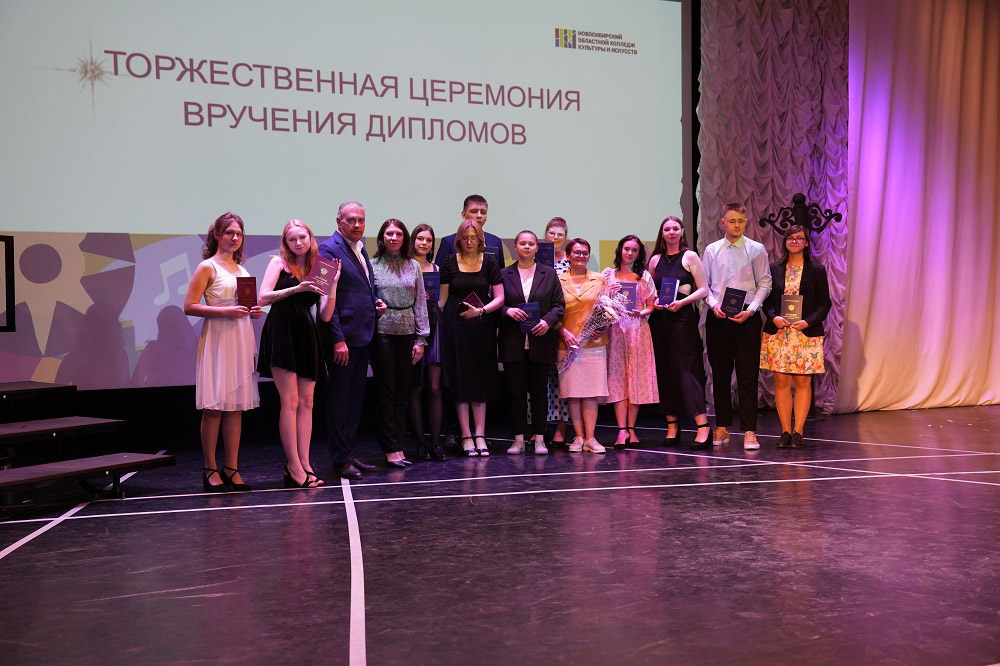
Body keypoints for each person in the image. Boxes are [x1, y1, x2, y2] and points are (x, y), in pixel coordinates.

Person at [183, 212, 262, 492]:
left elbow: (246, 305)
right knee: (214, 406)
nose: (235, 237)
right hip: (218, 339)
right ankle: (210, 468)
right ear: (217, 235)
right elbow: (189, 306)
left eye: (238, 233)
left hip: (240, 337)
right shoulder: (207, 267)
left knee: (235, 407)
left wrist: (254, 311)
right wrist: (225, 311)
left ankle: (231, 468)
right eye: (229, 232)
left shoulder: (242, 270)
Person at [258, 219, 339, 489]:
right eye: (292, 239)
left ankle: (305, 463)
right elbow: (262, 298)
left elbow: (325, 315)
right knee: (290, 402)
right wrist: (297, 288)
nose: (298, 243)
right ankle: (293, 466)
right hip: (282, 330)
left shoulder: (321, 267)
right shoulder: (278, 263)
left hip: (306, 332)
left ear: (310, 237)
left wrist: (333, 285)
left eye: (302, 237)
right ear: (286, 242)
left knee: (307, 402)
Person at [318, 202, 388, 480]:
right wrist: (337, 339)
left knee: (354, 400)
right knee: (340, 401)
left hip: (362, 336)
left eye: (361, 220)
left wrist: (375, 302)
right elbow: (323, 298)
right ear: (339, 221)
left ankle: (349, 454)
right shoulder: (326, 249)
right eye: (351, 220)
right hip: (343, 340)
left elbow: (361, 288)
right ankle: (340, 459)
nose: (357, 224)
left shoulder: (360, 248)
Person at [703, 203, 772, 450]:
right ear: (723, 222)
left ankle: (750, 431)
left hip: (747, 319)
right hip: (719, 318)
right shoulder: (711, 250)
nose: (736, 225)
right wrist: (713, 305)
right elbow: (705, 285)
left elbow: (765, 283)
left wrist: (751, 310)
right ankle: (722, 426)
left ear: (746, 221)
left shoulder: (756, 249)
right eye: (732, 221)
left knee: (747, 375)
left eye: (740, 221)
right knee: (720, 375)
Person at [760, 225, 831, 448]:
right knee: (781, 382)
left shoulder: (816, 270)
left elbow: (824, 304)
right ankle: (785, 431)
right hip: (779, 333)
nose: (794, 241)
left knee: (802, 382)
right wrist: (773, 317)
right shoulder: (774, 269)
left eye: (799, 238)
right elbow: (766, 301)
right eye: (790, 238)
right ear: (785, 242)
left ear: (806, 243)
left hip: (805, 334)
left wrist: (808, 321)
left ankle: (798, 432)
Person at [439, 219, 504, 456]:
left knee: (479, 381)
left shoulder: (490, 262)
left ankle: (480, 435)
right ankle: (466, 435)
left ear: (480, 239)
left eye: (473, 238)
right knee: (459, 380)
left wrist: (482, 311)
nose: (469, 242)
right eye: (465, 238)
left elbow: (500, 298)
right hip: (454, 327)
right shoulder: (449, 262)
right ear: (458, 239)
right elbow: (442, 299)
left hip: (481, 327)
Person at [498, 230, 565, 455]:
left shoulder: (549, 273)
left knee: (538, 392)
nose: (526, 247)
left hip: (541, 341)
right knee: (516, 392)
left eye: (531, 244)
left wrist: (547, 322)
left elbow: (558, 305)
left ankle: (539, 439)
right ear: (515, 247)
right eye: (522, 243)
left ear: (537, 248)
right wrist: (507, 311)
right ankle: (518, 439)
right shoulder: (504, 273)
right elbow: (495, 303)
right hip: (513, 342)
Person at [648, 216, 712, 449]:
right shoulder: (655, 259)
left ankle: (703, 428)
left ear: (682, 231)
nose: (672, 232)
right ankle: (672, 426)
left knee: (687, 371)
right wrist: (654, 301)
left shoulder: (690, 256)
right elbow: (650, 291)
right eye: (667, 229)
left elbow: (704, 289)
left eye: (676, 228)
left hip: (683, 320)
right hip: (659, 321)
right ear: (662, 233)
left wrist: (683, 302)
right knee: (665, 371)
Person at [370, 219, 430, 467]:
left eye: (398, 234)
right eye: (389, 233)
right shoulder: (372, 265)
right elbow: (366, 297)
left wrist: (421, 338)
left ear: (404, 238)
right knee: (387, 390)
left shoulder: (413, 265)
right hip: (382, 331)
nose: (393, 237)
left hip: (408, 333)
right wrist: (374, 304)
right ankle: (389, 448)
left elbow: (420, 303)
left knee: (403, 391)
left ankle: (399, 446)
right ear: (382, 237)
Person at [601, 235, 659, 449]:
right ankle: (621, 430)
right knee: (618, 380)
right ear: (620, 250)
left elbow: (650, 305)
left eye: (634, 250)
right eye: (627, 249)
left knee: (635, 379)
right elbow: (598, 302)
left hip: (637, 330)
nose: (630, 253)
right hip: (616, 330)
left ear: (639, 253)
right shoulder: (608, 275)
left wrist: (640, 312)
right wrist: (609, 292)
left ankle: (632, 429)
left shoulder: (644, 276)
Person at [557, 238, 609, 454]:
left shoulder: (600, 279)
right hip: (567, 344)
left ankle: (591, 438)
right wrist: (562, 330)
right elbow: (552, 310)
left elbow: (607, 308)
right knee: (573, 393)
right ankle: (578, 437)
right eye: (577, 252)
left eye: (585, 253)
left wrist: (604, 326)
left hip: (593, 344)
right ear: (568, 255)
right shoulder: (557, 279)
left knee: (590, 393)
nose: (581, 256)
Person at [408, 224, 447, 461]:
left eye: (429, 240)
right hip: (410, 327)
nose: (424, 243)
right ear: (413, 241)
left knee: (434, 387)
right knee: (416, 387)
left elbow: (442, 300)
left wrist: (430, 303)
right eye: (420, 239)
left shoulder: (437, 269)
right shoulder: (405, 266)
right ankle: (421, 444)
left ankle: (436, 443)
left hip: (434, 327)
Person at [542, 217, 571, 445]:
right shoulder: (534, 259)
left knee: (563, 379)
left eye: (560, 234)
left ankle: (561, 428)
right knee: (540, 381)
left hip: (565, 324)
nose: (556, 237)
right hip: (540, 325)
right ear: (545, 235)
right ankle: (539, 428)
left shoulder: (571, 261)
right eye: (552, 233)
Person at [434, 194, 506, 269]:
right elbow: (439, 272)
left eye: (483, 212)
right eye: (474, 211)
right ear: (463, 215)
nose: (479, 216)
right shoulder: (448, 242)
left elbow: (501, 272)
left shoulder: (495, 241)